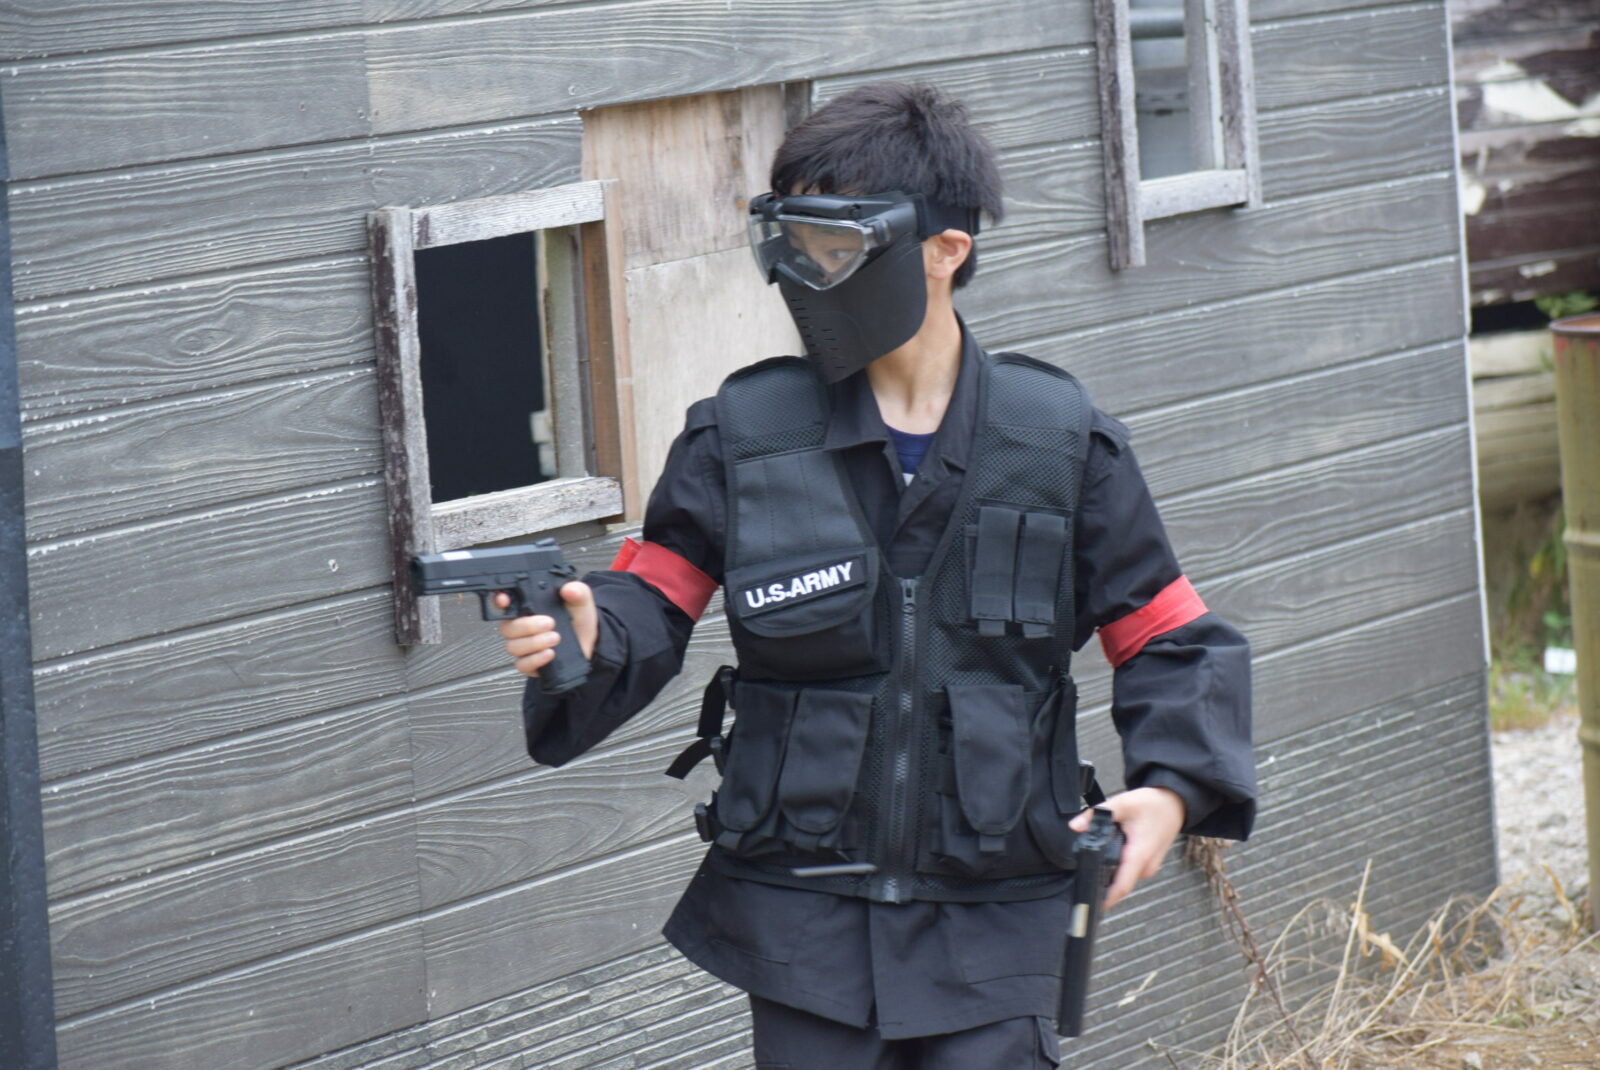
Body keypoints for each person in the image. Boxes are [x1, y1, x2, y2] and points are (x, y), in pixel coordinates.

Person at [494, 81, 1257, 1069]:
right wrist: (590, 632)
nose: (802, 273)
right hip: (802, 920)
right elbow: (653, 598)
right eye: (787, 242)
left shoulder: (1061, 443)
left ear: (945, 250)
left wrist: (1172, 790)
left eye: (834, 245)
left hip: (997, 916)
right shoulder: (741, 436)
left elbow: (1169, 635)